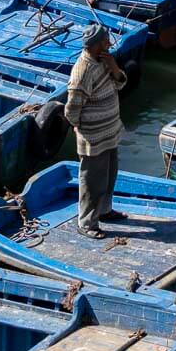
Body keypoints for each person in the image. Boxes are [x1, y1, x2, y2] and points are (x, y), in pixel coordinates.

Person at [65, 24, 128, 238]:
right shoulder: (82, 71)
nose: (109, 44)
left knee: (109, 176)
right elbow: (72, 109)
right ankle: (87, 223)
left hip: (110, 131)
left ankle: (105, 211)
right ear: (96, 44)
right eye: (106, 41)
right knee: (92, 182)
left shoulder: (104, 61)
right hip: (93, 137)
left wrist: (114, 68)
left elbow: (119, 84)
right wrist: (78, 127)